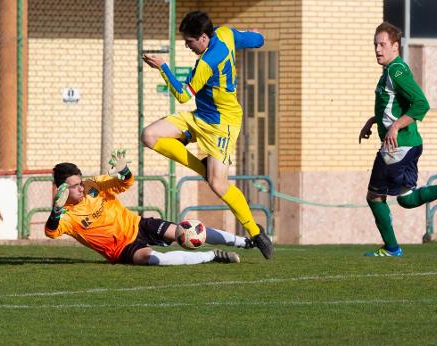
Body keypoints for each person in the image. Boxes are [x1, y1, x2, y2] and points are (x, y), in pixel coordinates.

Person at [141, 11, 273, 259]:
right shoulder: (226, 33)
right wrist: (257, 34)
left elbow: (181, 94)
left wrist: (163, 67)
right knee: (149, 136)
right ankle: (204, 168)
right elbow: (258, 40)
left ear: (202, 37)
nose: (187, 46)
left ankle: (256, 233)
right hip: (200, 116)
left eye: (189, 41)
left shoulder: (207, 62)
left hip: (222, 125)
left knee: (219, 185)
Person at [358, 22, 437, 257]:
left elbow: (421, 103)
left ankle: (392, 248)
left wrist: (395, 126)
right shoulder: (390, 71)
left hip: (396, 147)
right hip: (409, 145)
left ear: (395, 46)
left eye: (382, 44)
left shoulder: (396, 71)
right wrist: (373, 121)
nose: (377, 49)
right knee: (406, 200)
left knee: (375, 196)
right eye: (375, 44)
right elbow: (393, 107)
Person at [44, 149, 253, 265]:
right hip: (122, 249)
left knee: (186, 230)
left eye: (81, 183)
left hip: (139, 225)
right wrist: (55, 210)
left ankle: (244, 241)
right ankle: (212, 256)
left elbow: (125, 183)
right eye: (75, 186)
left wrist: (124, 170)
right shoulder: (66, 215)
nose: (81, 188)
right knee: (154, 259)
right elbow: (51, 232)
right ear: (62, 188)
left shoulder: (93, 185)